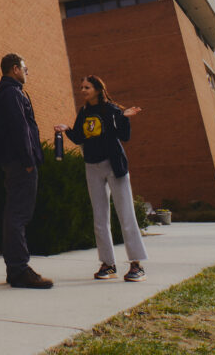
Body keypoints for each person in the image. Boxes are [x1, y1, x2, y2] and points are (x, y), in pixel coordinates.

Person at [55, 74, 148, 282]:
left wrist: (124, 117)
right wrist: (66, 129)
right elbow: (79, 136)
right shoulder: (85, 111)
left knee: (126, 215)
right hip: (92, 166)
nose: (83, 90)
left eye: (87, 87)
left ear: (97, 89)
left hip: (114, 165)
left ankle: (137, 264)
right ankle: (108, 264)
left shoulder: (112, 109)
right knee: (100, 219)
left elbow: (124, 136)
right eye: (81, 87)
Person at [0, 53, 53, 289]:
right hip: (20, 162)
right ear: (15, 69)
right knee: (18, 215)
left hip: (12, 161)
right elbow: (21, 129)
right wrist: (29, 159)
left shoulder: (3, 92)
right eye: (25, 69)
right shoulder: (12, 93)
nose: (28, 73)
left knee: (15, 214)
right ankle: (19, 270)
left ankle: (15, 270)